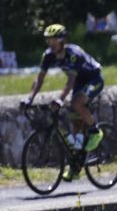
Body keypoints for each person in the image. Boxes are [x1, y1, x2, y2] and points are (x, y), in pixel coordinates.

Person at [22, 24, 105, 179]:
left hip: (94, 79)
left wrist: (59, 100)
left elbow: (71, 81)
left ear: (61, 41)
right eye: (48, 41)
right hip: (80, 82)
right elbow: (39, 79)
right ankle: (76, 165)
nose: (50, 44)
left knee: (76, 104)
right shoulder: (48, 55)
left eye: (53, 40)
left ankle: (95, 131)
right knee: (75, 122)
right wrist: (29, 98)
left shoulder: (73, 54)